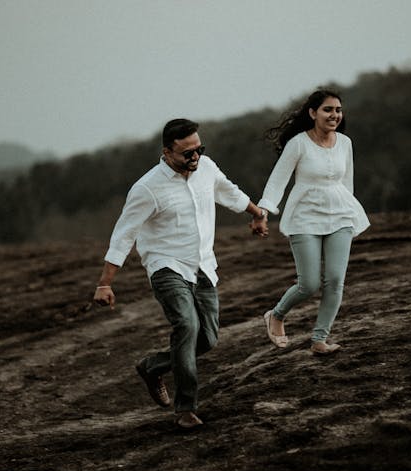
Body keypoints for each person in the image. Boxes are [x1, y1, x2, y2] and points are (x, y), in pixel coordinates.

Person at [93, 118, 268, 429]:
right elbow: (124, 234)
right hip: (166, 266)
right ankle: (185, 408)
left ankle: (153, 367)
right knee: (186, 326)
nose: (195, 157)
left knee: (208, 339)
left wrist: (256, 214)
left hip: (203, 264)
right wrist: (105, 283)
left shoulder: (207, 169)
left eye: (199, 149)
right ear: (167, 152)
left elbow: (229, 192)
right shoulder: (147, 188)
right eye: (187, 153)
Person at [257, 89, 369, 355]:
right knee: (309, 283)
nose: (334, 115)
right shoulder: (298, 143)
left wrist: (351, 214)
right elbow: (277, 181)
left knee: (335, 280)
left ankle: (320, 338)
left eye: (338, 110)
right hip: (304, 216)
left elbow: (347, 181)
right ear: (313, 113)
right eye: (328, 110)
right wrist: (263, 211)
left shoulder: (345, 143)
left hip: (340, 214)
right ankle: (276, 315)